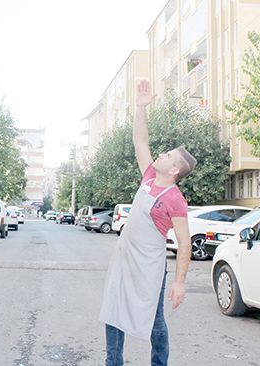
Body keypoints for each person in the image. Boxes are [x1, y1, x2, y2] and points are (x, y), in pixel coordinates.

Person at [99, 80, 197, 366]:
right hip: (124, 259)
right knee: (113, 311)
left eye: (168, 156)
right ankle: (112, 362)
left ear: (175, 169)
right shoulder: (150, 177)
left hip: (149, 267)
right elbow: (140, 141)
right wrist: (141, 108)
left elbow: (184, 243)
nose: (161, 154)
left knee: (154, 322)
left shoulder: (175, 200)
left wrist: (179, 282)